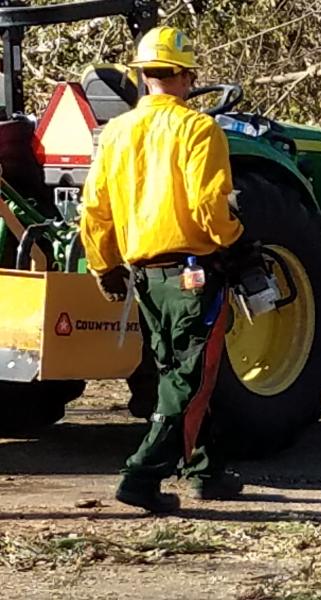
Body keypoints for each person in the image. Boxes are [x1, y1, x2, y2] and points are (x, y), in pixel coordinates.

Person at [81, 27, 248, 513]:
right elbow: (210, 206)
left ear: (143, 76)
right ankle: (142, 475)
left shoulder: (115, 132)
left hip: (145, 277)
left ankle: (204, 469)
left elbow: (95, 208)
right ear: (186, 75)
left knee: (177, 370)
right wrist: (237, 243)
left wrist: (103, 264)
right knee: (191, 377)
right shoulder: (199, 130)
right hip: (192, 274)